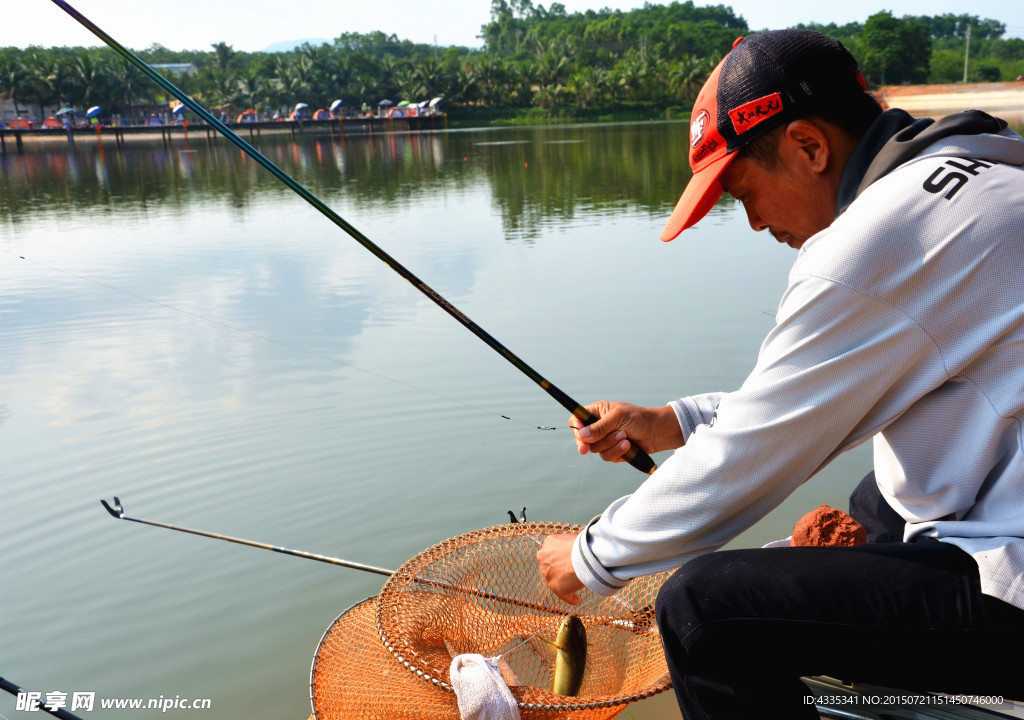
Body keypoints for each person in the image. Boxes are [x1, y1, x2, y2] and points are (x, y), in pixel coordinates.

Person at [536, 29, 1024, 718]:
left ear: (808, 147)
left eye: (742, 192)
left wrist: (590, 556)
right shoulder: (984, 172)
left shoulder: (877, 241)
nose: (754, 223)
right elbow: (820, 397)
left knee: (704, 611)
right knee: (876, 496)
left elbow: (757, 451)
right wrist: (671, 422)